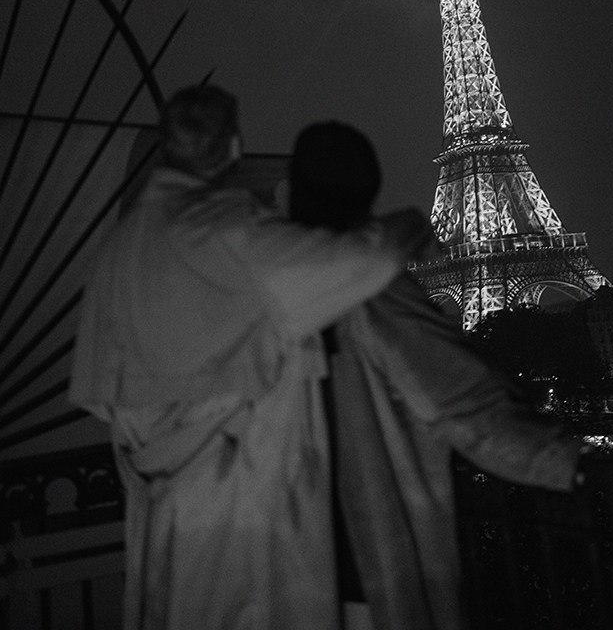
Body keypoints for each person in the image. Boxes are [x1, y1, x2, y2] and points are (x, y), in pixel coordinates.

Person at [69, 86, 428, 630]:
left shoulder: (118, 250)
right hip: (238, 497)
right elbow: (364, 260)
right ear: (234, 147)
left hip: (158, 504)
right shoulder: (229, 233)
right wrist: (412, 226)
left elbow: (103, 394)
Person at [288, 120, 586, 630]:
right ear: (367, 195)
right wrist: (567, 462)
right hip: (364, 558)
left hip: (281, 552)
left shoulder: (262, 284)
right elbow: (466, 404)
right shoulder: (373, 292)